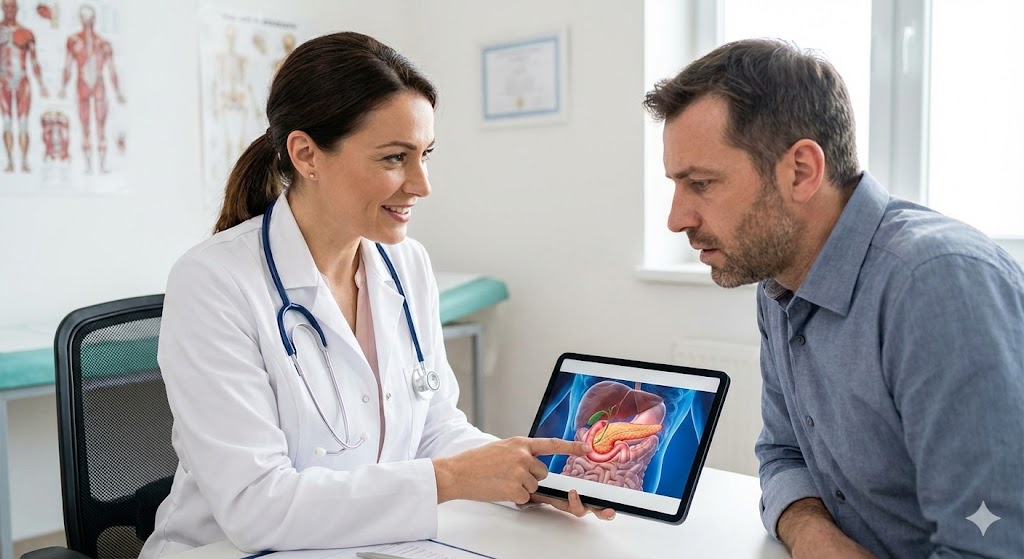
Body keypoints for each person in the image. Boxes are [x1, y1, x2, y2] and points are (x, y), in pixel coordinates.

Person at [141, 32, 612, 559]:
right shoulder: (214, 282)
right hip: (229, 551)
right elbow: (257, 507)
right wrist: (450, 478)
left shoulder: (406, 264)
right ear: (306, 155)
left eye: (426, 154)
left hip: (370, 544)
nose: (422, 184)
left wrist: (524, 476)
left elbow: (434, 426)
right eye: (394, 158)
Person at [643, 38, 1024, 558]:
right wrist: (814, 536)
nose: (676, 219)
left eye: (702, 183)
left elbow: (991, 543)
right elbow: (781, 456)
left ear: (801, 170)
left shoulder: (937, 285)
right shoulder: (781, 277)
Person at [59, 4, 125, 174]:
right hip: (82, 84)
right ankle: (88, 166)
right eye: (84, 19)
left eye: (90, 19)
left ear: (94, 20)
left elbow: (112, 69)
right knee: (85, 126)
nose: (87, 23)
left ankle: (102, 166)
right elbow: (67, 66)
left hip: (99, 86)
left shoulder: (103, 44)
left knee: (101, 126)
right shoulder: (74, 41)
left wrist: (117, 92)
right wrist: (63, 87)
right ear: (81, 19)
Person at [0, 0, 48, 173]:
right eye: (6, 6)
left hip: (23, 81)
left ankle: (25, 161)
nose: (9, 10)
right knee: (6, 122)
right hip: (2, 81)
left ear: (17, 9)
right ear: (2, 8)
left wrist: (41, 84)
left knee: (23, 123)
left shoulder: (26, 33)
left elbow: (34, 60)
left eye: (12, 6)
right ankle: (10, 162)